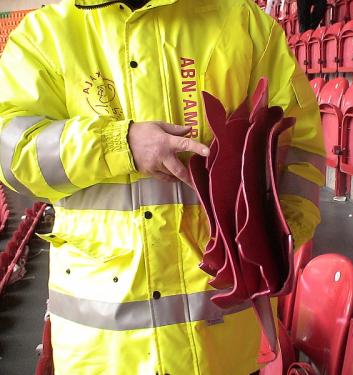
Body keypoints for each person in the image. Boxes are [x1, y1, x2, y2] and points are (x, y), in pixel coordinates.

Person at [0, 0, 325, 374]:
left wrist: (279, 240)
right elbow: (13, 156)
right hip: (104, 345)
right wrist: (116, 144)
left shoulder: (242, 23)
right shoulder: (44, 36)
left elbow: (298, 145)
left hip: (220, 340)